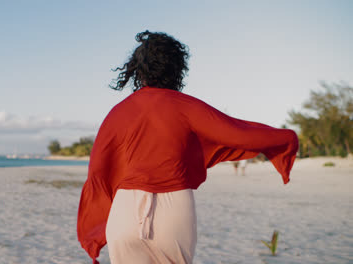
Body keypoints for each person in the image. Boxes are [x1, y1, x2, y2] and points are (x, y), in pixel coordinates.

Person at [77, 30, 298, 264]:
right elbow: (238, 133)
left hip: (124, 214)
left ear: (138, 70)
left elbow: (97, 171)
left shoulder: (118, 112)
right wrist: (285, 139)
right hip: (172, 212)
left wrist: (95, 227)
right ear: (177, 69)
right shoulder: (186, 106)